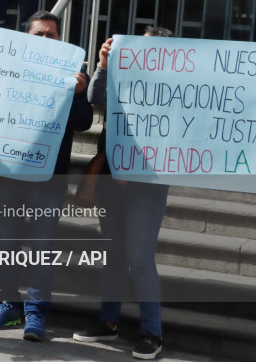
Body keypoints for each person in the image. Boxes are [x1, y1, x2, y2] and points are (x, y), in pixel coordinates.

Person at [0, 10, 92, 340]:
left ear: (60, 40)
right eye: (38, 34)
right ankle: (9, 305)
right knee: (8, 243)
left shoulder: (74, 74)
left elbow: (84, 123)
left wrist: (78, 94)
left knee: (44, 246)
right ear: (25, 38)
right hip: (9, 173)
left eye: (51, 35)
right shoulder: (7, 71)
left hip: (49, 178)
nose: (45, 40)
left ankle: (36, 312)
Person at [73, 27, 172, 361]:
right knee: (114, 254)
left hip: (147, 184)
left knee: (140, 258)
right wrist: (103, 63)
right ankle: (108, 321)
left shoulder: (174, 90)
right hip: (112, 179)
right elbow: (97, 98)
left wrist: (136, 169)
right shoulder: (122, 76)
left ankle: (151, 332)